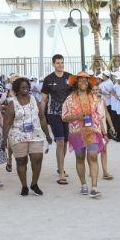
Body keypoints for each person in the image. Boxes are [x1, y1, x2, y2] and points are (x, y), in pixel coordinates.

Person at [2, 77, 52, 196]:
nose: (26, 89)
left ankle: (34, 184)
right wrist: (4, 139)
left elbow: (42, 118)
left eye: (27, 87)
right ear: (17, 89)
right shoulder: (12, 103)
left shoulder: (35, 99)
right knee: (21, 161)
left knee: (37, 158)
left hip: (35, 134)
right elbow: (7, 122)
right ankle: (24, 186)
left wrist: (47, 134)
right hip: (18, 136)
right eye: (23, 87)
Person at [62, 71, 105, 198]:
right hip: (76, 132)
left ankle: (94, 187)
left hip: (92, 130)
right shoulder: (69, 99)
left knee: (93, 156)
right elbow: (64, 117)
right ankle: (83, 185)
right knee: (80, 158)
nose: (83, 83)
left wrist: (101, 127)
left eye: (86, 81)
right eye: (81, 80)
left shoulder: (94, 97)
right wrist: (77, 116)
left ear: (89, 83)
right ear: (76, 83)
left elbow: (101, 113)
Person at [40, 54, 71, 185]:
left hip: (67, 114)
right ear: (53, 64)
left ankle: (60, 167)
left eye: (62, 62)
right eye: (58, 63)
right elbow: (43, 99)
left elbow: (74, 95)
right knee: (60, 142)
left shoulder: (70, 77)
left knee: (64, 142)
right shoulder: (48, 79)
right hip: (53, 114)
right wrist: (41, 116)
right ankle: (61, 174)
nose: (60, 65)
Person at [93, 83, 116, 179]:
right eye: (94, 90)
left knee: (104, 150)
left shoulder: (102, 100)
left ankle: (105, 172)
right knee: (93, 151)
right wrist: (104, 133)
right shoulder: (90, 102)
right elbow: (96, 118)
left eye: (97, 89)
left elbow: (107, 114)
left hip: (103, 127)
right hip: (94, 128)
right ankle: (92, 170)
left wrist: (111, 126)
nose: (96, 91)